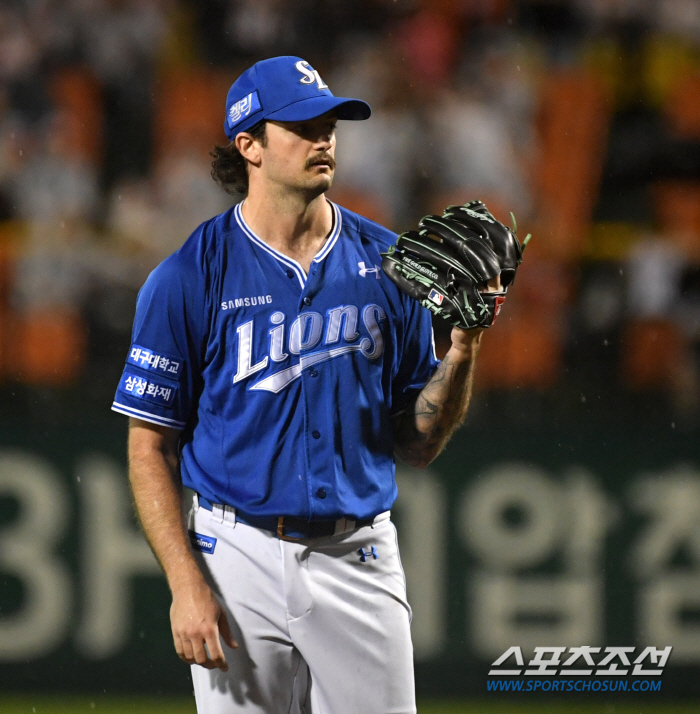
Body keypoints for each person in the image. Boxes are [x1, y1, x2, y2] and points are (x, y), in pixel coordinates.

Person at [112, 56, 497, 714]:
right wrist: (185, 583)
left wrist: (461, 352)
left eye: (329, 123)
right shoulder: (188, 276)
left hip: (358, 555)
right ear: (249, 145)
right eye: (301, 125)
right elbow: (150, 444)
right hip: (236, 554)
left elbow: (419, 443)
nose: (324, 138)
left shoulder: (391, 266)